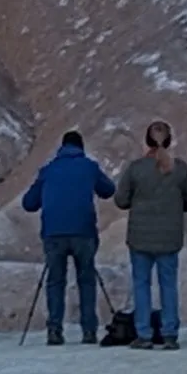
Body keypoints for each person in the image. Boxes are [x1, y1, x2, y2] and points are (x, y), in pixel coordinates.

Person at [20, 129, 116, 346]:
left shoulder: (48, 170)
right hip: (84, 231)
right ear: (81, 147)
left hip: (54, 233)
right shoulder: (89, 166)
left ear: (61, 148)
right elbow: (109, 190)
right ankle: (89, 331)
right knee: (86, 280)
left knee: (55, 282)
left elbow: (29, 204)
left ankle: (54, 330)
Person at [115, 121, 187, 350]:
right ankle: (169, 333)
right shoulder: (180, 169)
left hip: (139, 237)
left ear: (146, 141)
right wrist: (176, 207)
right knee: (168, 285)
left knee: (141, 285)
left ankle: (144, 334)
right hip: (169, 236)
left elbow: (121, 200)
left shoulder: (136, 168)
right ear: (170, 140)